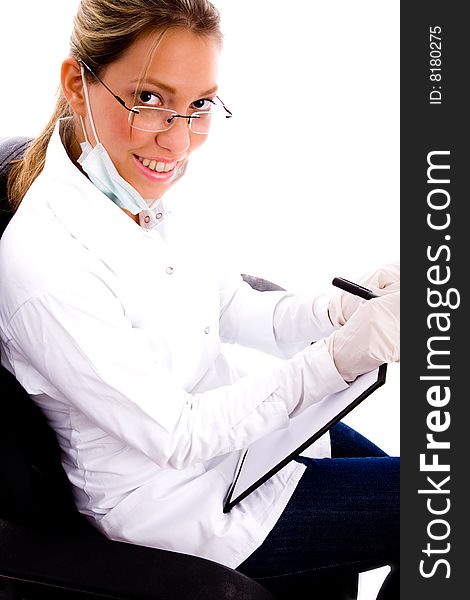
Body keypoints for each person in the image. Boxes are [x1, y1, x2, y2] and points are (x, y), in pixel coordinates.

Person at [0, 1, 399, 598]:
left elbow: (232, 307)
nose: (179, 139)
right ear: (76, 84)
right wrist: (339, 356)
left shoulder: (133, 190)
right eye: (149, 100)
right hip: (180, 511)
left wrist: (342, 309)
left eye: (200, 106)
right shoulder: (45, 265)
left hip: (242, 446)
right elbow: (178, 436)